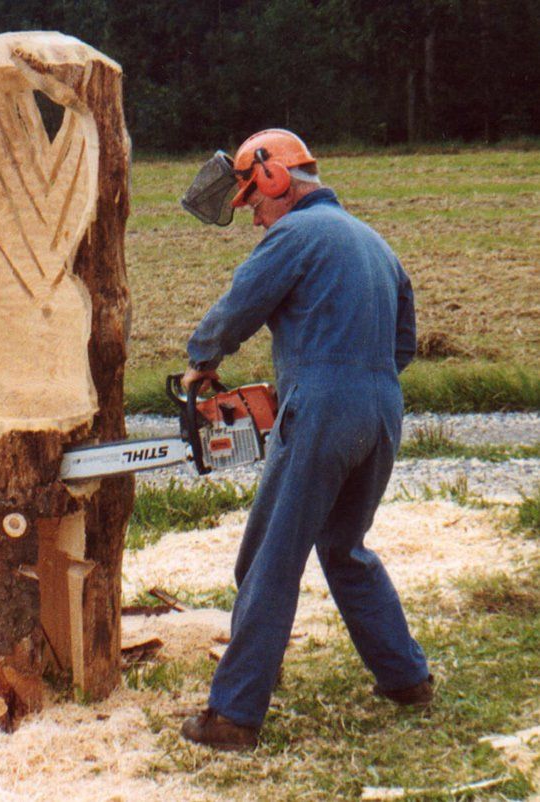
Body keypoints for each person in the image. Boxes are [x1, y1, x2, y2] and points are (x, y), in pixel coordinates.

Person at [179, 129, 432, 751]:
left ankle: (234, 715)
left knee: (269, 557)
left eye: (254, 204)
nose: (256, 219)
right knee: (345, 548)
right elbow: (404, 344)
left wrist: (202, 360)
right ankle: (407, 678)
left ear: (275, 179)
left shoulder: (297, 233)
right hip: (381, 410)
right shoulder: (376, 243)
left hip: (324, 408)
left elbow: (244, 300)